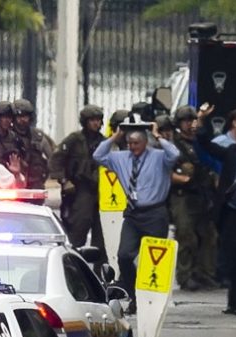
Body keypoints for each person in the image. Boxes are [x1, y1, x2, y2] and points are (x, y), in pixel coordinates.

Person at [93, 126, 179, 314]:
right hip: (133, 213)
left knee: (153, 261)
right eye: (129, 143)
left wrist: (157, 136)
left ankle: (153, 301)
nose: (132, 147)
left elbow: (174, 154)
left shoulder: (158, 157)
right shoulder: (120, 158)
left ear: (145, 142)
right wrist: (114, 137)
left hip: (155, 213)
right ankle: (133, 296)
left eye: (136, 143)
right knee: (124, 255)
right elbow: (98, 156)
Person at [199, 119, 236, 315]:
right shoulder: (233, 152)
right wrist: (201, 123)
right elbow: (208, 146)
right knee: (232, 259)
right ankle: (234, 303)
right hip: (232, 213)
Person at [50, 104, 108, 265]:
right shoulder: (74, 140)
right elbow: (56, 160)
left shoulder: (104, 142)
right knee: (78, 230)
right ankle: (72, 265)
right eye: (92, 120)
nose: (96, 123)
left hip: (101, 190)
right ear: (85, 121)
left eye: (98, 120)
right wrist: (64, 181)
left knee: (102, 235)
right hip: (80, 189)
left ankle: (101, 270)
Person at [170, 105, 218, 291]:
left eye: (192, 120)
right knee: (186, 235)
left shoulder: (199, 142)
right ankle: (185, 275)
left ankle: (203, 272)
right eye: (186, 121)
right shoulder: (175, 144)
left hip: (201, 193)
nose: (190, 124)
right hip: (182, 195)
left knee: (208, 234)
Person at [10, 98, 55, 195]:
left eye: (25, 116)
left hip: (35, 184)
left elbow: (53, 157)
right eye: (19, 116)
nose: (22, 120)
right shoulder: (7, 136)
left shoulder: (38, 136)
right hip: (12, 184)